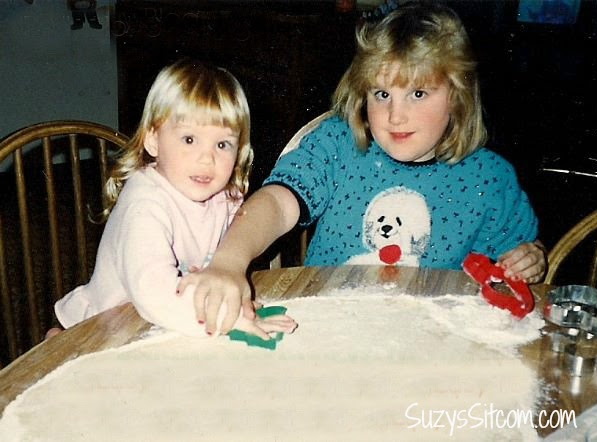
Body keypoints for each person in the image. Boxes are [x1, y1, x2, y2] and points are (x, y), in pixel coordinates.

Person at [178, 2, 547, 335]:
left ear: (458, 94)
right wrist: (228, 262)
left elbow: (516, 265)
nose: (395, 115)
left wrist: (531, 260)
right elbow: (277, 202)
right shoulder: (340, 144)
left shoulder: (490, 179)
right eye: (381, 94)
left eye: (418, 94)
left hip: (428, 341)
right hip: (327, 329)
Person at [49, 59, 296, 340]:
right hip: (105, 328)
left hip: (162, 324)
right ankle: (54, 336)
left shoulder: (223, 198)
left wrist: (228, 300)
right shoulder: (145, 203)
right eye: (189, 139)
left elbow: (219, 269)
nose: (207, 158)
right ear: (153, 140)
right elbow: (154, 293)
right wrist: (229, 319)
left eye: (222, 144)